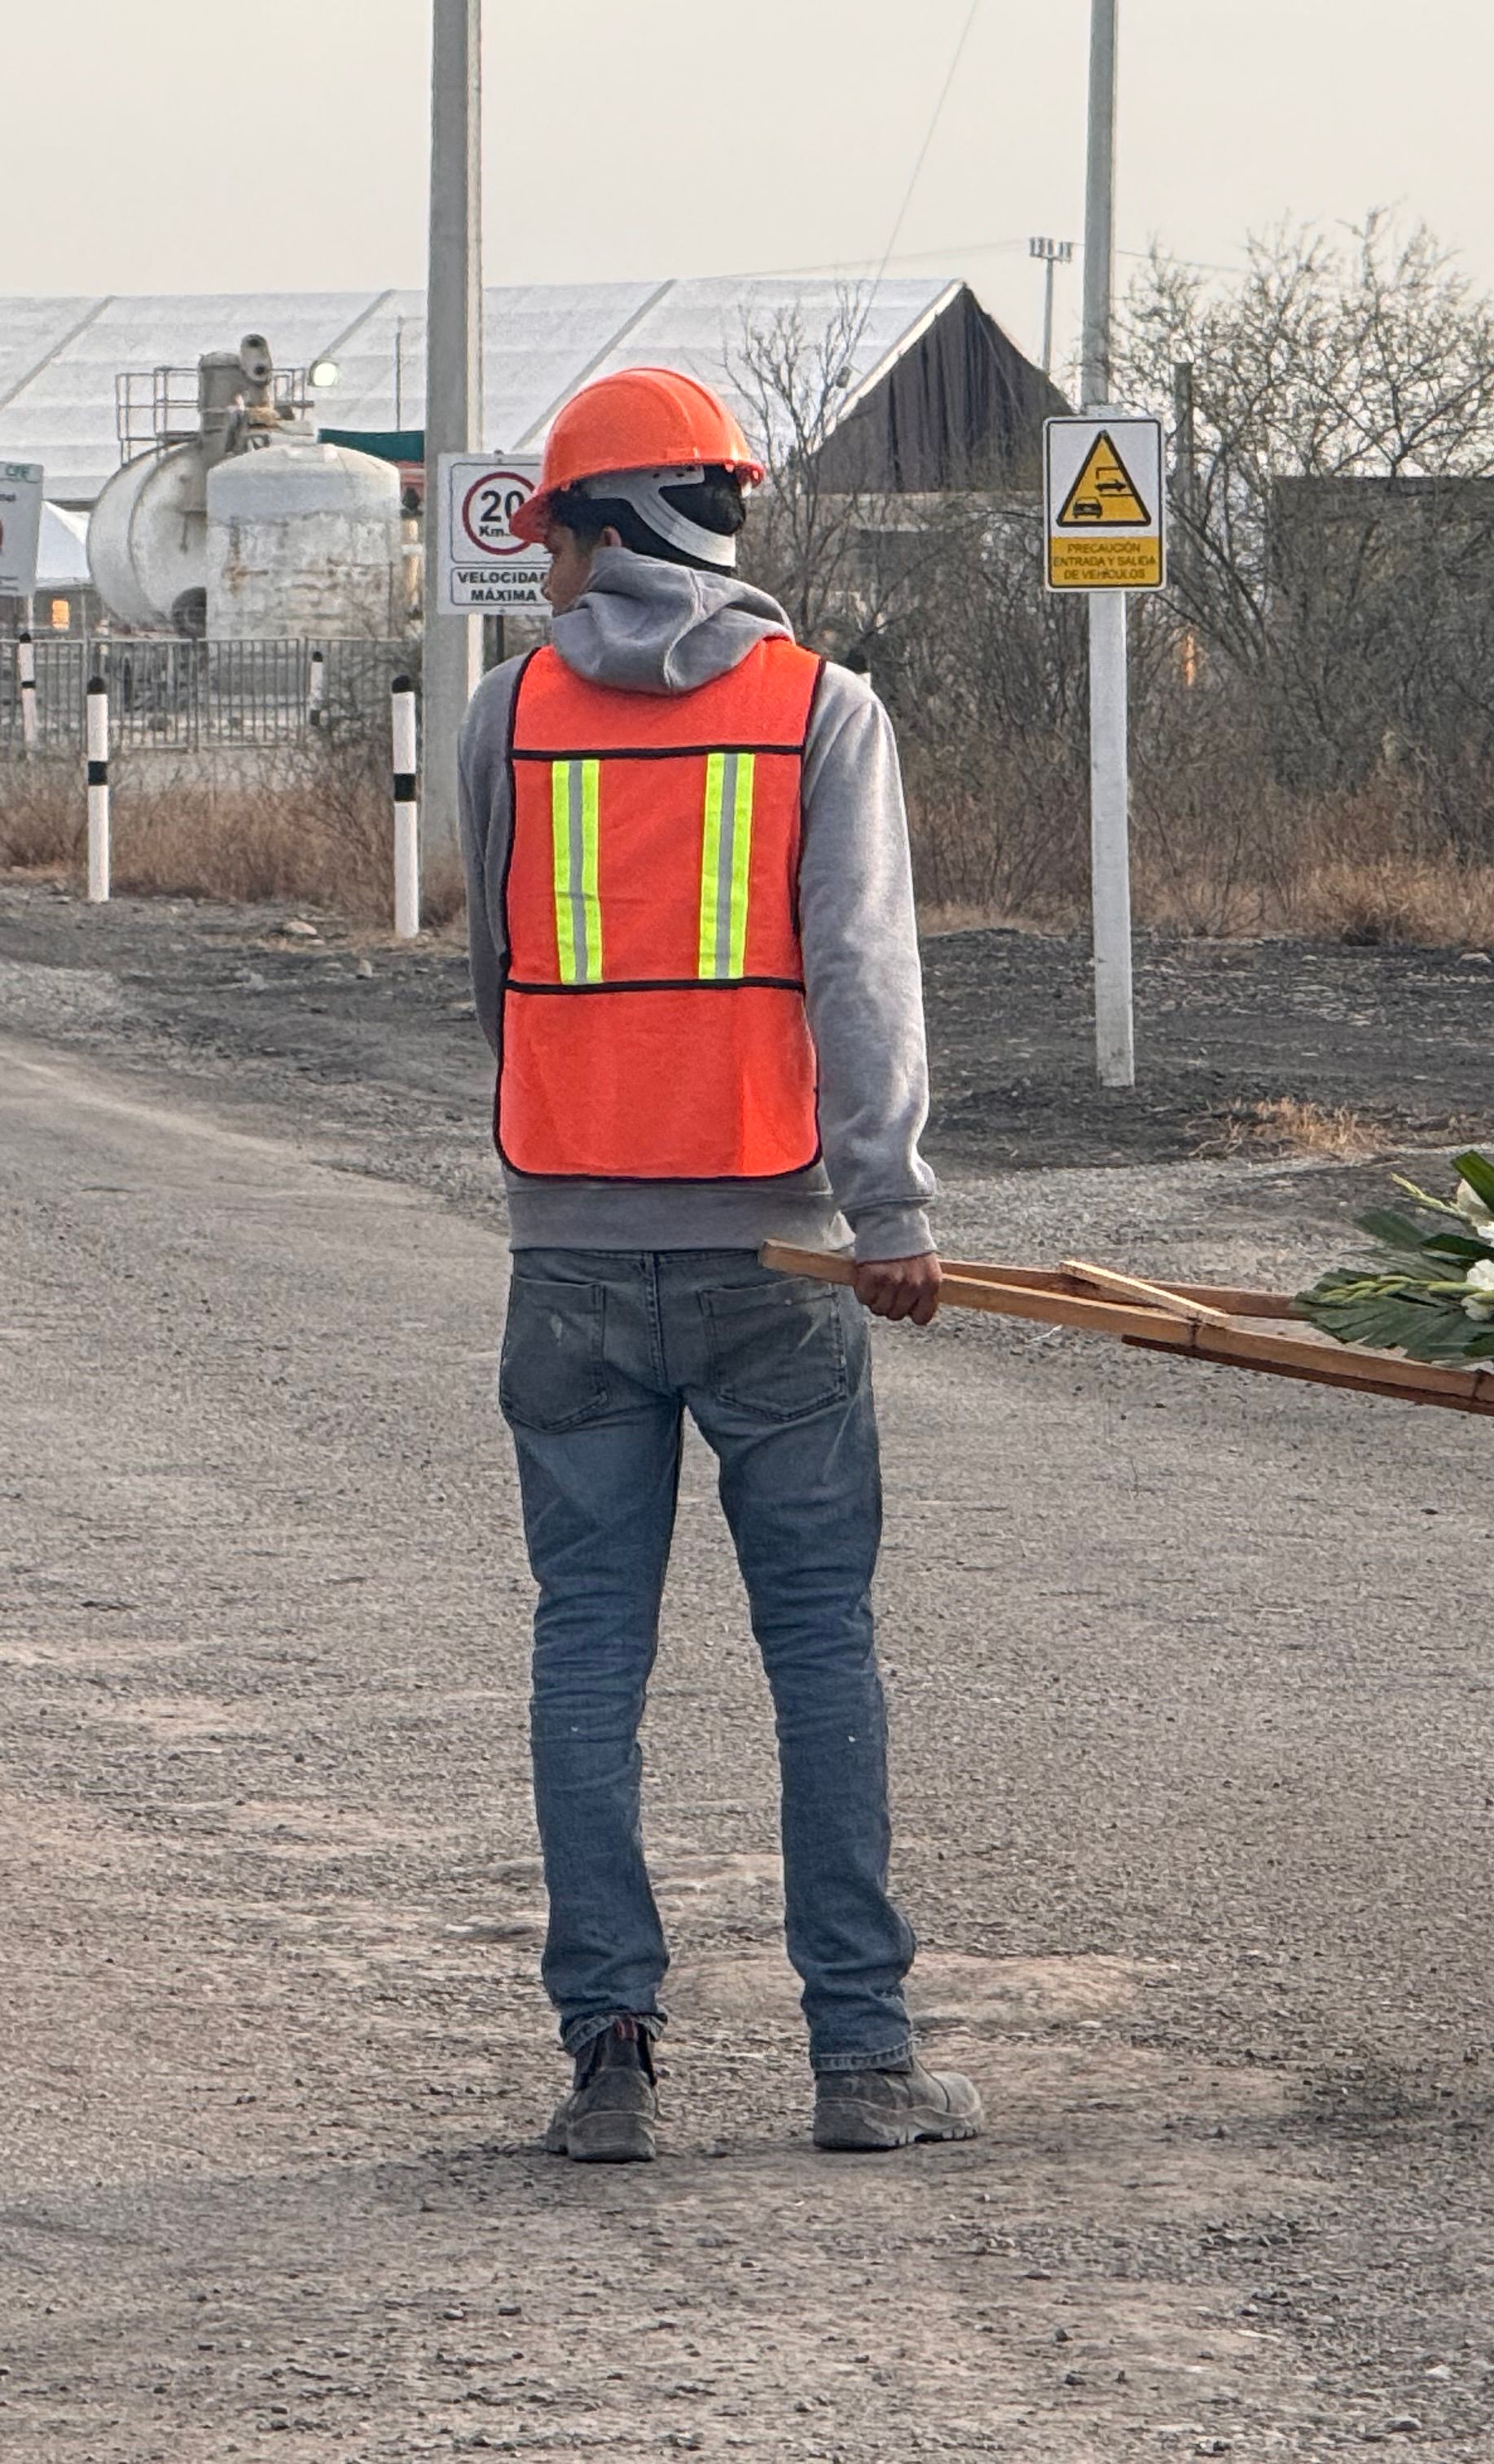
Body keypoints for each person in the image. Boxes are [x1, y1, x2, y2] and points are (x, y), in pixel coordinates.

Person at [458, 365, 980, 2158]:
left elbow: (499, 975)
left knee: (589, 1648)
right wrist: (889, 1210)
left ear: (605, 529)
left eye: (554, 534)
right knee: (820, 1644)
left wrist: (555, 1152)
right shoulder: (822, 711)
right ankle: (865, 2061)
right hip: (779, 1256)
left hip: (570, 1250)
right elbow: (863, 978)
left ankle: (609, 2055)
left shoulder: (505, 715)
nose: (543, 574)